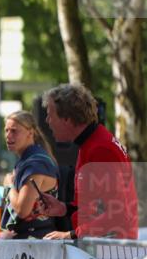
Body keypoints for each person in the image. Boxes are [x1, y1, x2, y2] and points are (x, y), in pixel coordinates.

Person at [39, 84, 137, 240]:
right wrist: (63, 208)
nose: (47, 121)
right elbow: (94, 207)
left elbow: (118, 214)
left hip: (111, 249)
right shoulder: (90, 143)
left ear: (67, 119)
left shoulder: (99, 149)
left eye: (50, 115)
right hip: (103, 246)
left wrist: (70, 235)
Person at [0, 111, 59, 240]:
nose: (8, 135)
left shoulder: (36, 164)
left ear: (30, 133)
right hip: (29, 238)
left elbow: (22, 210)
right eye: (6, 130)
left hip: (36, 241)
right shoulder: (26, 160)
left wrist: (9, 186)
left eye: (14, 131)